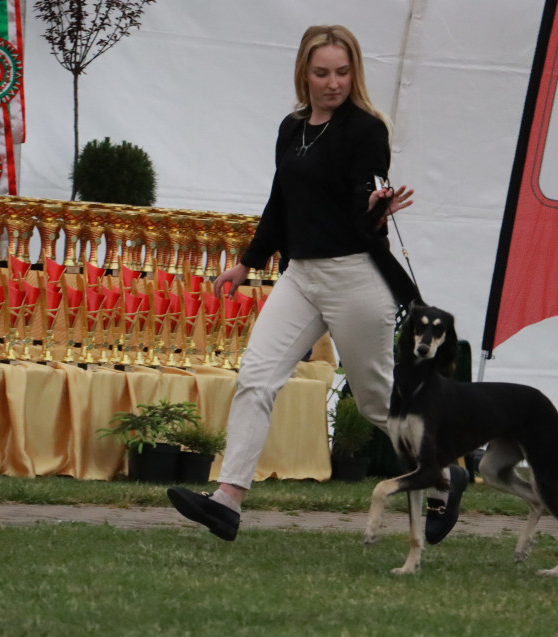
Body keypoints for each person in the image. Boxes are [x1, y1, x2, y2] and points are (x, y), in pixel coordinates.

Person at [167, 25, 466, 542]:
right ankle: (228, 501)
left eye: (343, 72)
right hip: (301, 276)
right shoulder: (292, 127)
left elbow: (364, 192)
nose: (334, 83)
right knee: (256, 378)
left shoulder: (368, 129)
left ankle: (445, 478)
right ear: (304, 73)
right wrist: (247, 262)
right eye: (322, 72)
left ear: (355, 73)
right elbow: (280, 202)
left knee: (376, 405)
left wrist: (375, 208)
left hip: (356, 276)